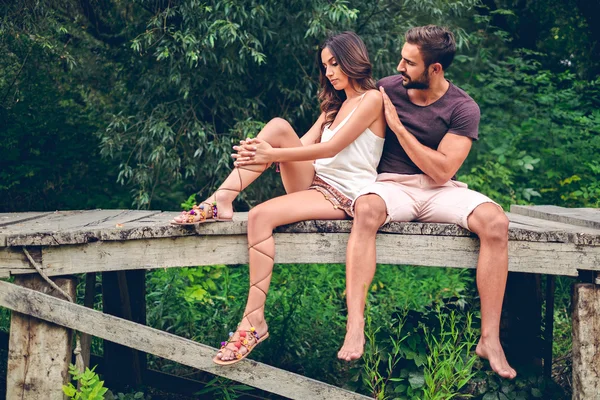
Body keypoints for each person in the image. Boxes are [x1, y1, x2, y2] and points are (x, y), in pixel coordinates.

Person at [172, 31, 386, 364]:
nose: (329, 72)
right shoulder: (336, 105)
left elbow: (331, 148)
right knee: (275, 126)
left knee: (259, 215)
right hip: (316, 183)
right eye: (324, 66)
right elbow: (299, 144)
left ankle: (253, 320)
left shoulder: (372, 99)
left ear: (352, 59)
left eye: (334, 63)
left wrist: (271, 153)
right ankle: (222, 199)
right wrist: (263, 152)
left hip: (344, 195)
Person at [336, 25, 517, 380]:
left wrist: (399, 127)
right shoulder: (385, 89)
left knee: (496, 222)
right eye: (402, 58)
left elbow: (442, 170)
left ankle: (490, 339)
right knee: (367, 208)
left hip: (441, 189)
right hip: (391, 186)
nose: (399, 67)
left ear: (435, 69)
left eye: (409, 62)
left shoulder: (463, 107)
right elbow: (338, 119)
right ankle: (355, 324)